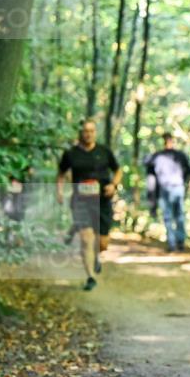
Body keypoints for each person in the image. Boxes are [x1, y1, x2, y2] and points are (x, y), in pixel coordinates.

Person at [57, 119, 121, 291]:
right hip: (80, 201)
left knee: (102, 243)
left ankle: (97, 256)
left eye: (91, 131)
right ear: (80, 133)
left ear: (95, 132)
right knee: (86, 239)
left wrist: (113, 185)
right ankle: (90, 277)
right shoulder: (71, 154)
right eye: (85, 131)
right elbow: (61, 173)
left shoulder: (104, 151)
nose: (88, 134)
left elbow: (118, 170)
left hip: (102, 200)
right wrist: (59, 192)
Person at [148, 133, 190, 251]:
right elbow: (152, 179)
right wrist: (152, 199)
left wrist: (183, 181)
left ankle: (179, 243)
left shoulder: (179, 155)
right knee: (170, 216)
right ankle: (173, 244)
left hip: (177, 187)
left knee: (178, 216)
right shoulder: (157, 157)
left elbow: (188, 170)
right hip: (166, 189)